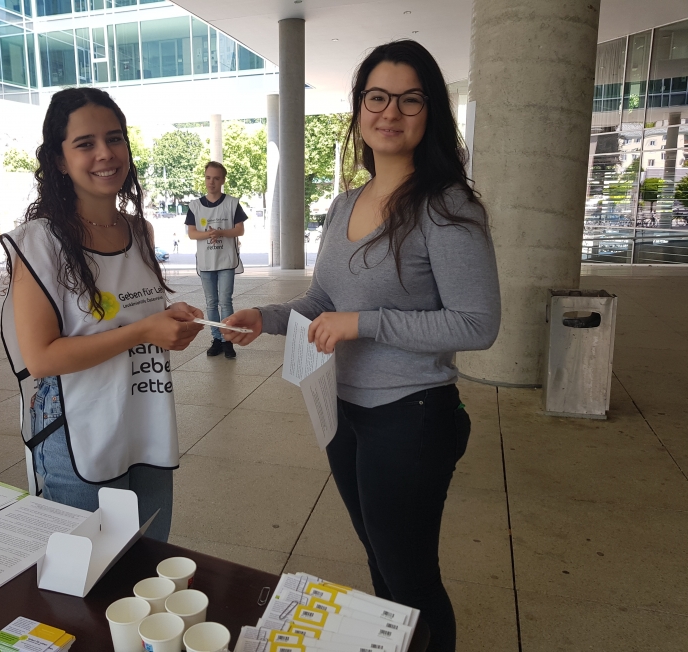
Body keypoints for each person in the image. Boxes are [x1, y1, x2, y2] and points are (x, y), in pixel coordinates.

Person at [222, 40, 500, 652]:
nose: (390, 112)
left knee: (411, 580)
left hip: (412, 417)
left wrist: (365, 322)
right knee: (380, 564)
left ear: (431, 112)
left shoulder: (447, 207)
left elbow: (477, 325)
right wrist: (263, 318)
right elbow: (325, 299)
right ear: (357, 109)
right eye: (377, 97)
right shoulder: (347, 202)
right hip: (344, 412)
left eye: (409, 99)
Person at [0, 87, 204, 542]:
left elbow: (129, 315)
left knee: (146, 567)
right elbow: (43, 358)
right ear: (58, 160)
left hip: (144, 416)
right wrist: (144, 330)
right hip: (78, 426)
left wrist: (168, 320)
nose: (105, 154)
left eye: (115, 139)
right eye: (85, 144)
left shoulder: (140, 230)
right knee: (83, 582)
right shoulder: (38, 242)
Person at [185, 161, 247, 359]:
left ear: (223, 180)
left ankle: (228, 340)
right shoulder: (195, 206)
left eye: (216, 178)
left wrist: (220, 232)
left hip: (226, 261)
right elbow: (192, 233)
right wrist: (209, 234)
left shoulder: (232, 203)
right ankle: (217, 339)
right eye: (208, 177)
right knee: (211, 303)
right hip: (206, 263)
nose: (211, 182)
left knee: (225, 302)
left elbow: (240, 230)